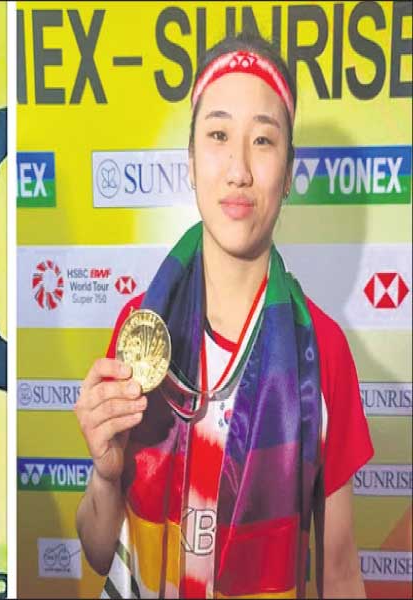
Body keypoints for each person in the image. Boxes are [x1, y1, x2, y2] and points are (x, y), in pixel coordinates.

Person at [74, 32, 373, 599]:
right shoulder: (141, 332)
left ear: (289, 171)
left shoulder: (323, 352)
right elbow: (95, 548)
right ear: (191, 162)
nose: (238, 169)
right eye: (217, 135)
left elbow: (339, 574)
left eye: (263, 140)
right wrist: (107, 475)